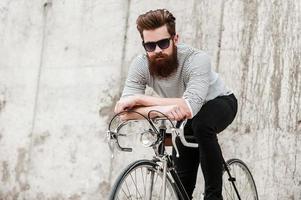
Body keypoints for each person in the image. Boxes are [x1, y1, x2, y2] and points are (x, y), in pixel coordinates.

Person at [114, 9, 237, 200]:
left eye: (163, 43)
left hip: (219, 102)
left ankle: (214, 196)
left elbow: (189, 107)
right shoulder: (140, 65)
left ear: (175, 39)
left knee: (201, 125)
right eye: (150, 46)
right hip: (181, 113)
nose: (157, 51)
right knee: (182, 183)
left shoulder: (196, 59)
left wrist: (139, 100)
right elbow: (123, 112)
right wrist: (163, 110)